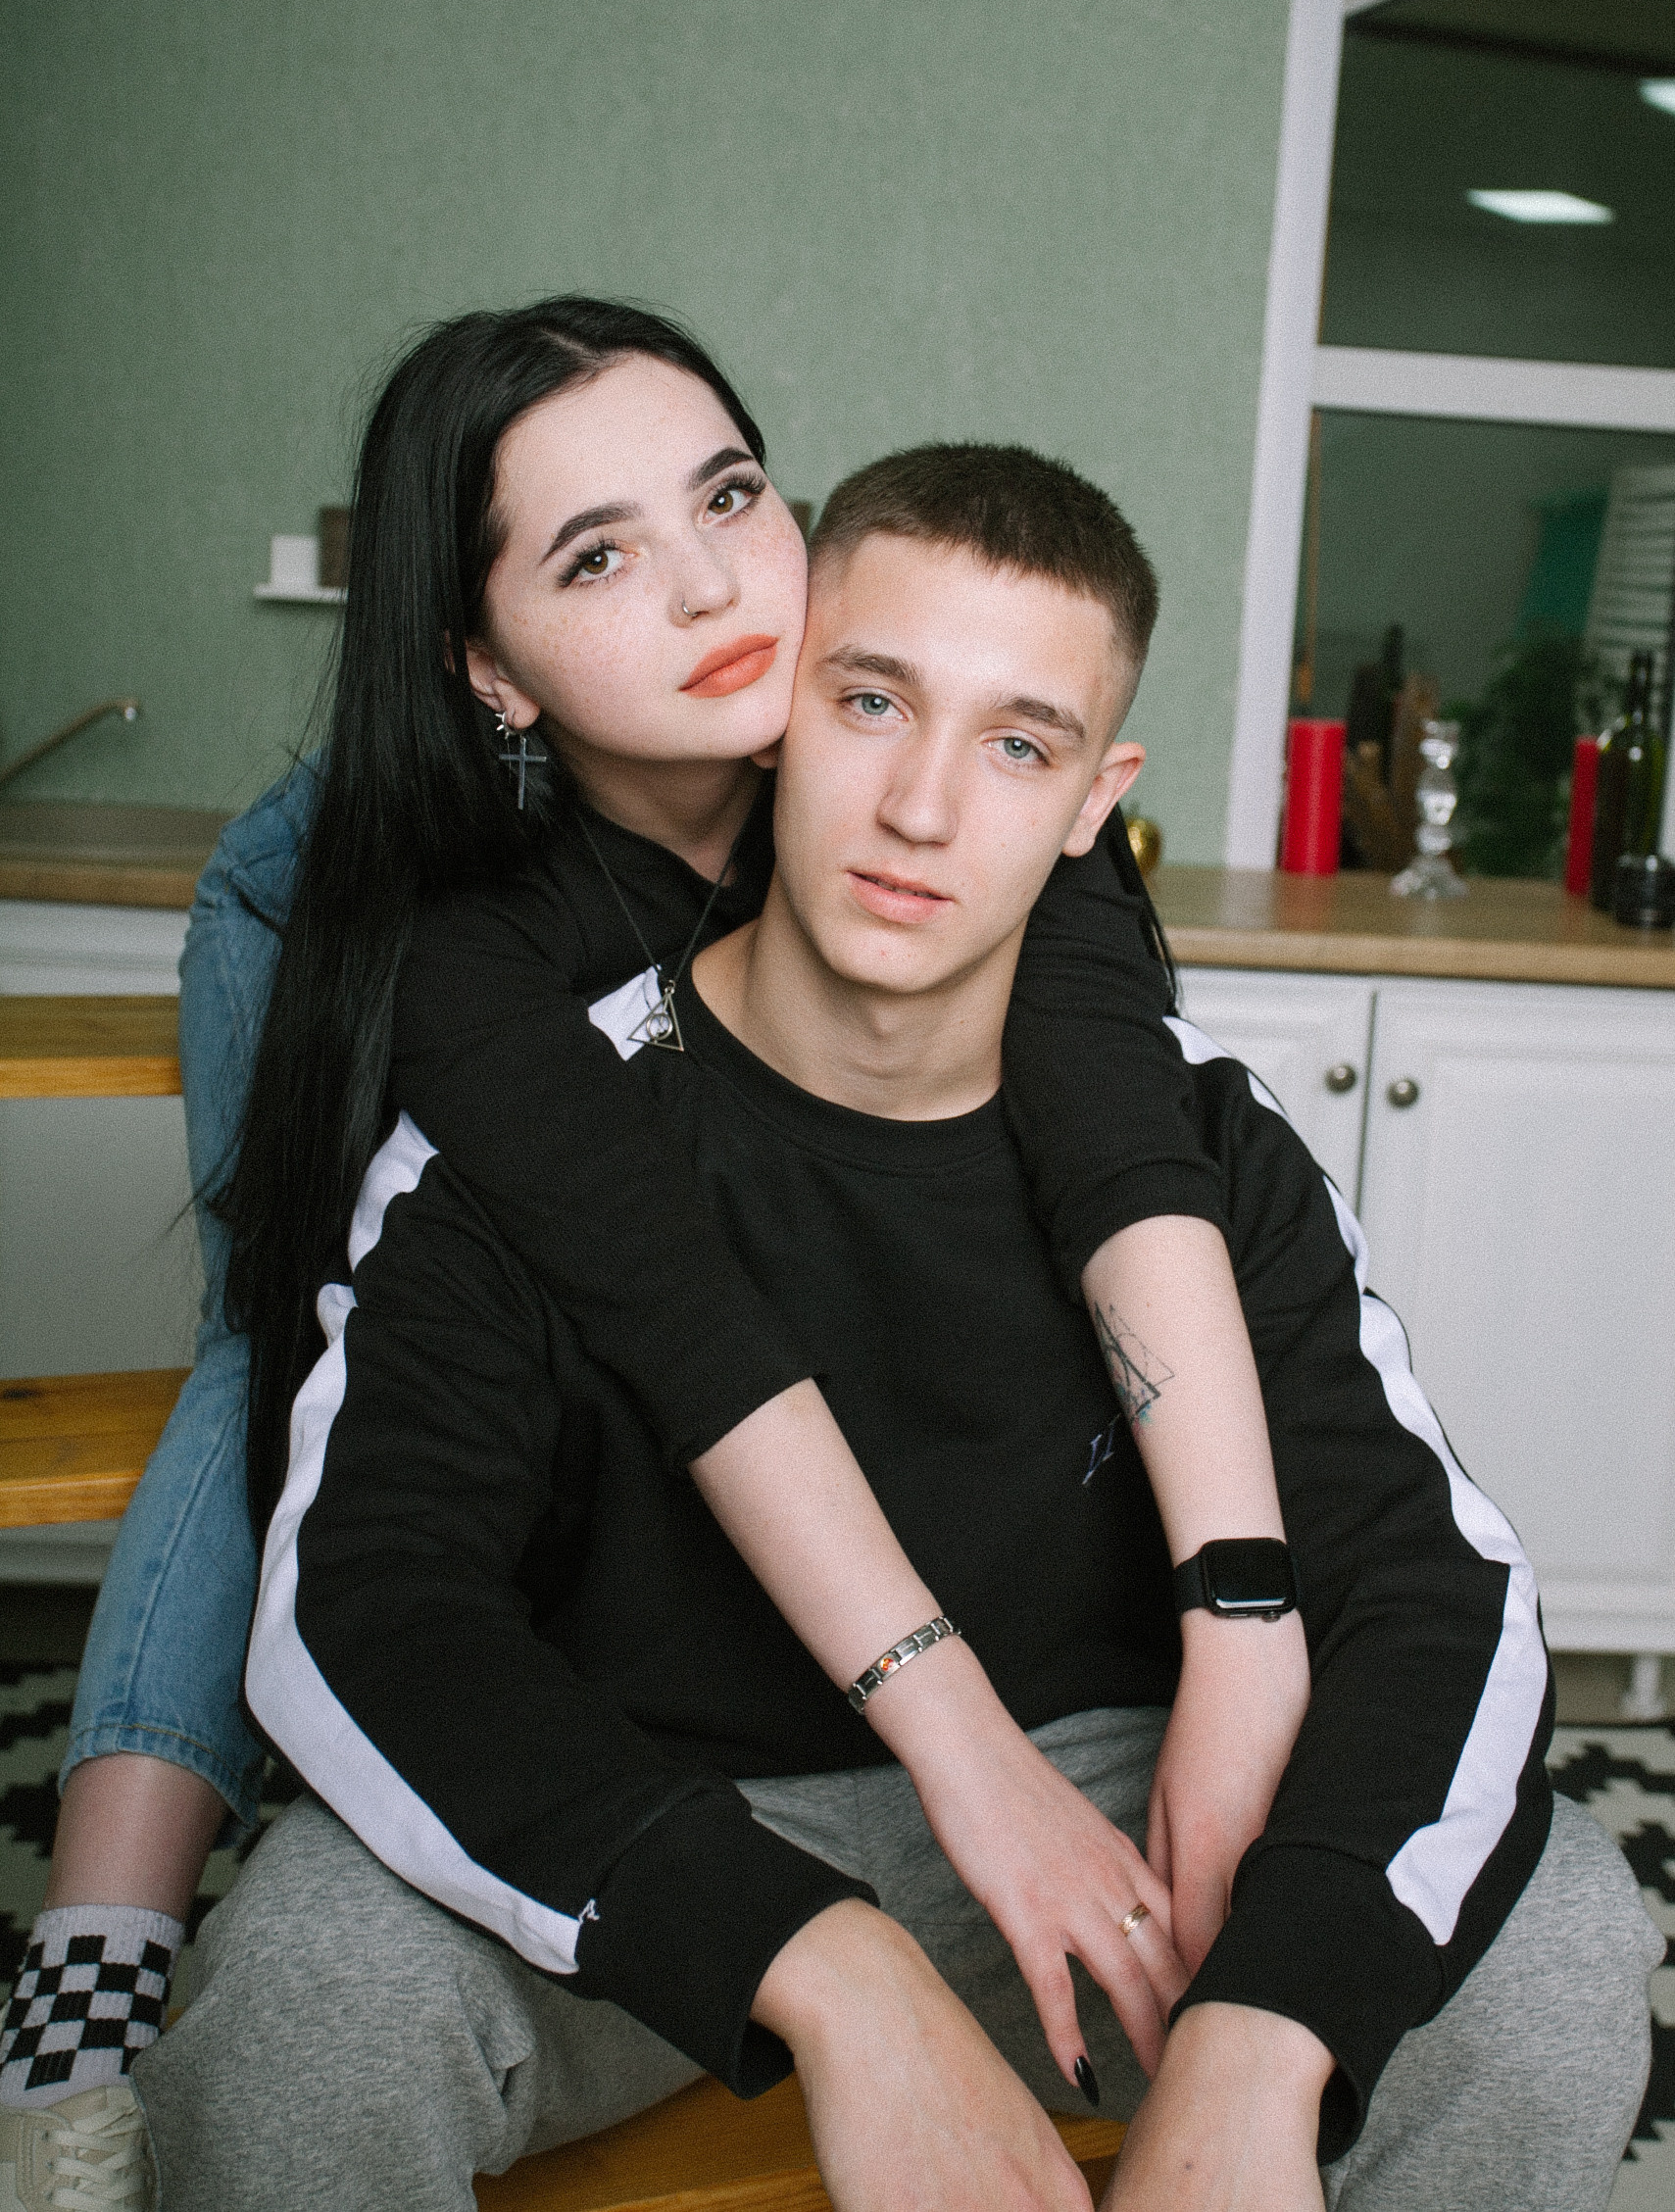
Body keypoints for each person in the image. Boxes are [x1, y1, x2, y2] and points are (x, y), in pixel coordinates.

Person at [134, 447, 1656, 2209]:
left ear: (1093, 801)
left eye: (1017, 744)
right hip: (674, 1810)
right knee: (300, 1999)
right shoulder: (531, 1132)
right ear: (772, 715)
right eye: (871, 703)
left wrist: (1272, 2022)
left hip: (1116, 1814)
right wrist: (812, 1953)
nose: (923, 809)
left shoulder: (1196, 1142)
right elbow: (370, 1611)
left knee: (1556, 1946)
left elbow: (1437, 1592)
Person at [0, 305, 1299, 2166]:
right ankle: (89, 1977)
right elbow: (661, 1290)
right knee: (270, 1348)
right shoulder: (448, 926)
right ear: (492, 665)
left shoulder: (927, 766)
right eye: (597, 557)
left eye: (730, 498)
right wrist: (958, 1747)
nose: (707, 588)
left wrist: (1238, 1618)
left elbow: (1119, 1144)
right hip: (337, 882)